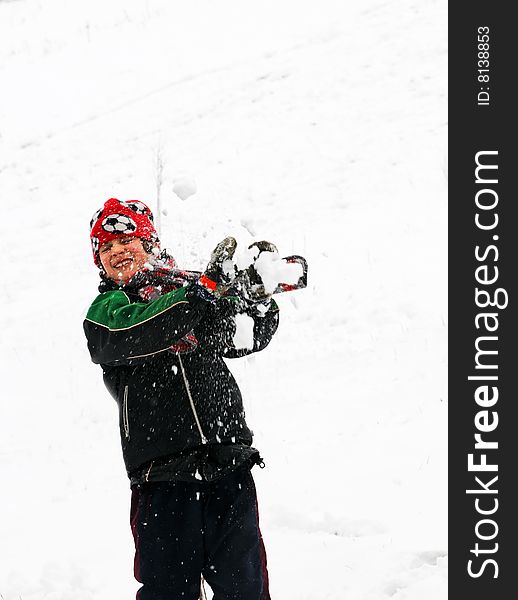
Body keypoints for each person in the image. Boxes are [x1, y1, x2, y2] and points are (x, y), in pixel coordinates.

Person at [83, 198, 279, 600]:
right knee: (169, 591)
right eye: (106, 247)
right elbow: (138, 331)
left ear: (150, 244)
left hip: (227, 462)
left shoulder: (192, 289)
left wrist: (256, 298)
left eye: (127, 240)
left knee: (245, 586)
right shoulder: (108, 310)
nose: (117, 251)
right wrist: (199, 294)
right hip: (162, 477)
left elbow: (242, 335)